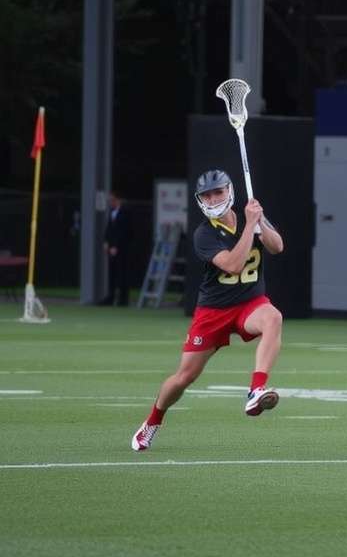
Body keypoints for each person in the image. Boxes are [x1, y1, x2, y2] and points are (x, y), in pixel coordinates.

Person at [131, 170, 284, 451]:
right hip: (214, 311)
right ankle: (153, 420)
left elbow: (277, 247)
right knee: (185, 377)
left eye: (218, 192)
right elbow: (233, 265)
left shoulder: (250, 215)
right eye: (207, 195)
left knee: (273, 317)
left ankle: (256, 389)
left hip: (250, 304)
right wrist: (250, 227)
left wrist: (260, 221)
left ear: (230, 191)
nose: (213, 199)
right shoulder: (204, 232)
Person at [100, 190, 131, 306]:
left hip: (121, 250)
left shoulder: (125, 213)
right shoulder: (112, 212)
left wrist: (116, 246)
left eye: (112, 200)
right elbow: (109, 229)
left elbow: (125, 232)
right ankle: (111, 297)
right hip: (112, 249)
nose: (110, 202)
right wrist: (106, 242)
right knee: (112, 273)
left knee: (122, 274)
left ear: (117, 200)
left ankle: (123, 299)